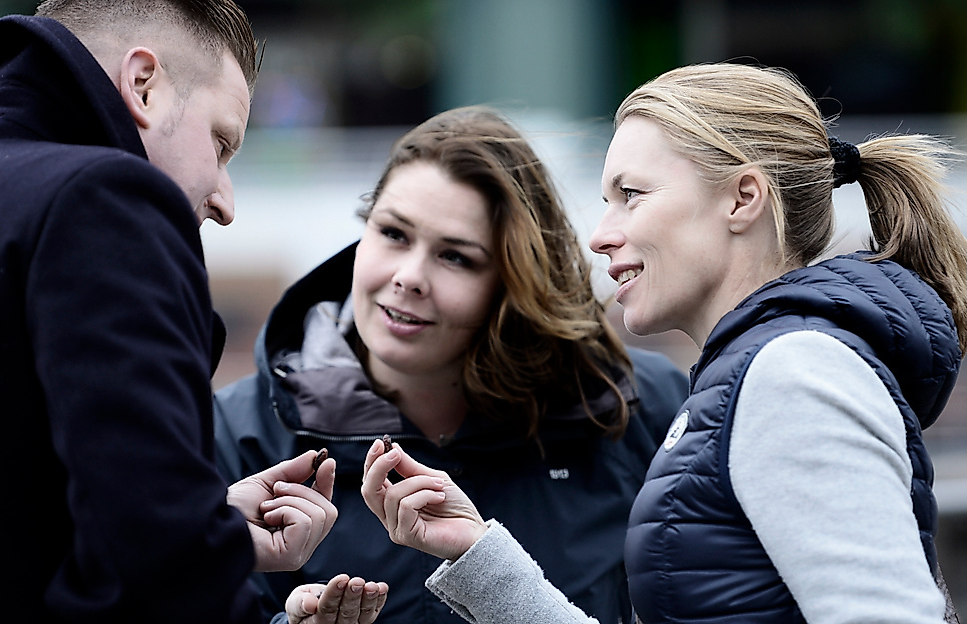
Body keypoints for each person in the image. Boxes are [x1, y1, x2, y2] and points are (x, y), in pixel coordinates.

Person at [361, 62, 967, 624]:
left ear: (742, 198)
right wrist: (481, 556)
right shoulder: (756, 372)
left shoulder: (793, 373)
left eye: (632, 195)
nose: (600, 236)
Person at [0, 1, 386, 622]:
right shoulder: (104, 199)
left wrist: (206, 514)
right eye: (220, 142)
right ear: (143, 85)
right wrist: (186, 531)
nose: (224, 200)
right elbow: (155, 573)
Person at [212, 106, 690, 624]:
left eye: (455, 257)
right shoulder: (235, 433)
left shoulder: (638, 407)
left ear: (513, 283)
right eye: (393, 234)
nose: (409, 277)